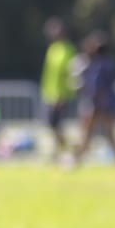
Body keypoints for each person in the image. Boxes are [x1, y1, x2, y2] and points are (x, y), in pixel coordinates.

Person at [72, 30, 115, 165]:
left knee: (86, 135)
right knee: (110, 134)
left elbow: (96, 86)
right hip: (109, 104)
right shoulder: (111, 63)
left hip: (98, 104)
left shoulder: (98, 65)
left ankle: (76, 160)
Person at [40, 17, 77, 160]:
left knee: (57, 124)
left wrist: (63, 95)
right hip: (50, 94)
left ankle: (65, 150)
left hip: (62, 95)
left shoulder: (68, 49)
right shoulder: (53, 49)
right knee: (52, 125)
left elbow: (70, 74)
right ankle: (63, 149)